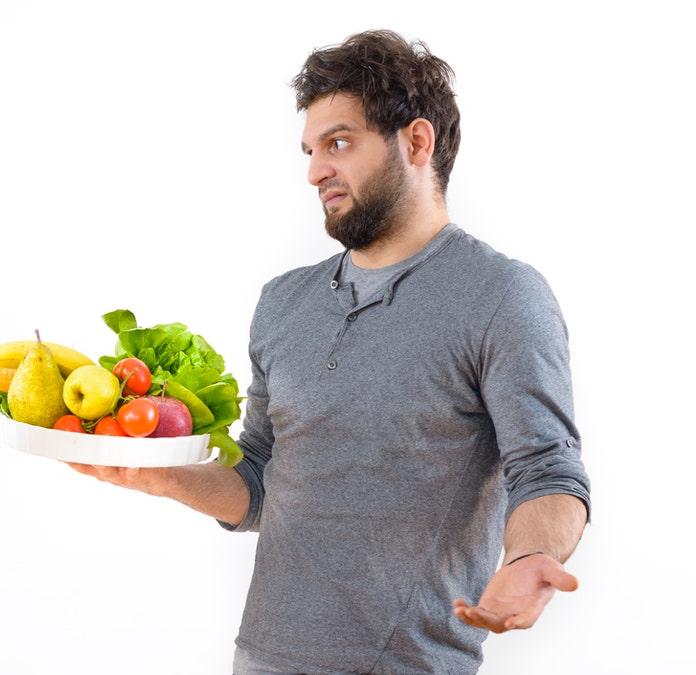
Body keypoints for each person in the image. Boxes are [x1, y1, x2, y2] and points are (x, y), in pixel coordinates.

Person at [68, 29, 591, 674]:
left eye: (339, 143)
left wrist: (528, 556)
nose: (315, 170)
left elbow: (548, 469)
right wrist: (161, 475)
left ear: (417, 143)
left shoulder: (501, 295)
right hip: (261, 658)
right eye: (311, 149)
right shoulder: (283, 303)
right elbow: (259, 480)